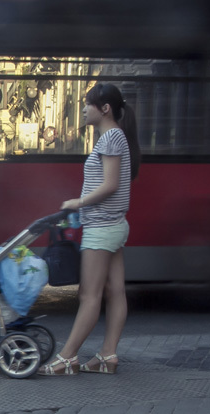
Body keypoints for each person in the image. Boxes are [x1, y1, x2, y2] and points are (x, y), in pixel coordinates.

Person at [40, 83, 141, 375]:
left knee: (89, 295)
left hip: (101, 227)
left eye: (87, 104)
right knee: (115, 292)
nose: (83, 109)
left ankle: (67, 357)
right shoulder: (116, 137)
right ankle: (108, 355)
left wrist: (78, 202)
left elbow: (110, 185)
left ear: (104, 108)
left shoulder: (110, 137)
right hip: (114, 225)